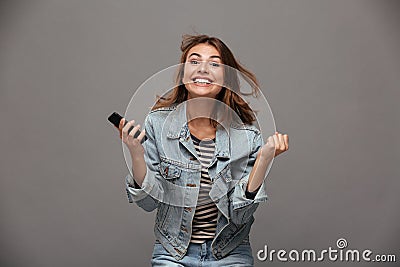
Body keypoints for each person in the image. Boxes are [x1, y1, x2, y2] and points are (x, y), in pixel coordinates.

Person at [115, 34, 289, 266]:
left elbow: (240, 215)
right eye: (194, 61)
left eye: (214, 64)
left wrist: (263, 160)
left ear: (227, 77)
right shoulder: (157, 124)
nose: (203, 69)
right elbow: (148, 203)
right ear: (183, 73)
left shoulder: (246, 137)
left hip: (229, 252)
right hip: (173, 252)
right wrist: (136, 152)